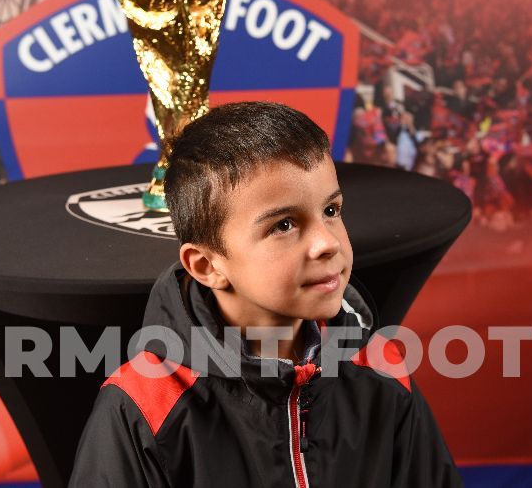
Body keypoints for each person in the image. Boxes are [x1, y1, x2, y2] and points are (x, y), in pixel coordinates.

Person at [68, 101, 462, 487]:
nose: (327, 244)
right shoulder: (143, 404)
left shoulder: (379, 368)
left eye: (331, 210)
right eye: (284, 224)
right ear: (208, 267)